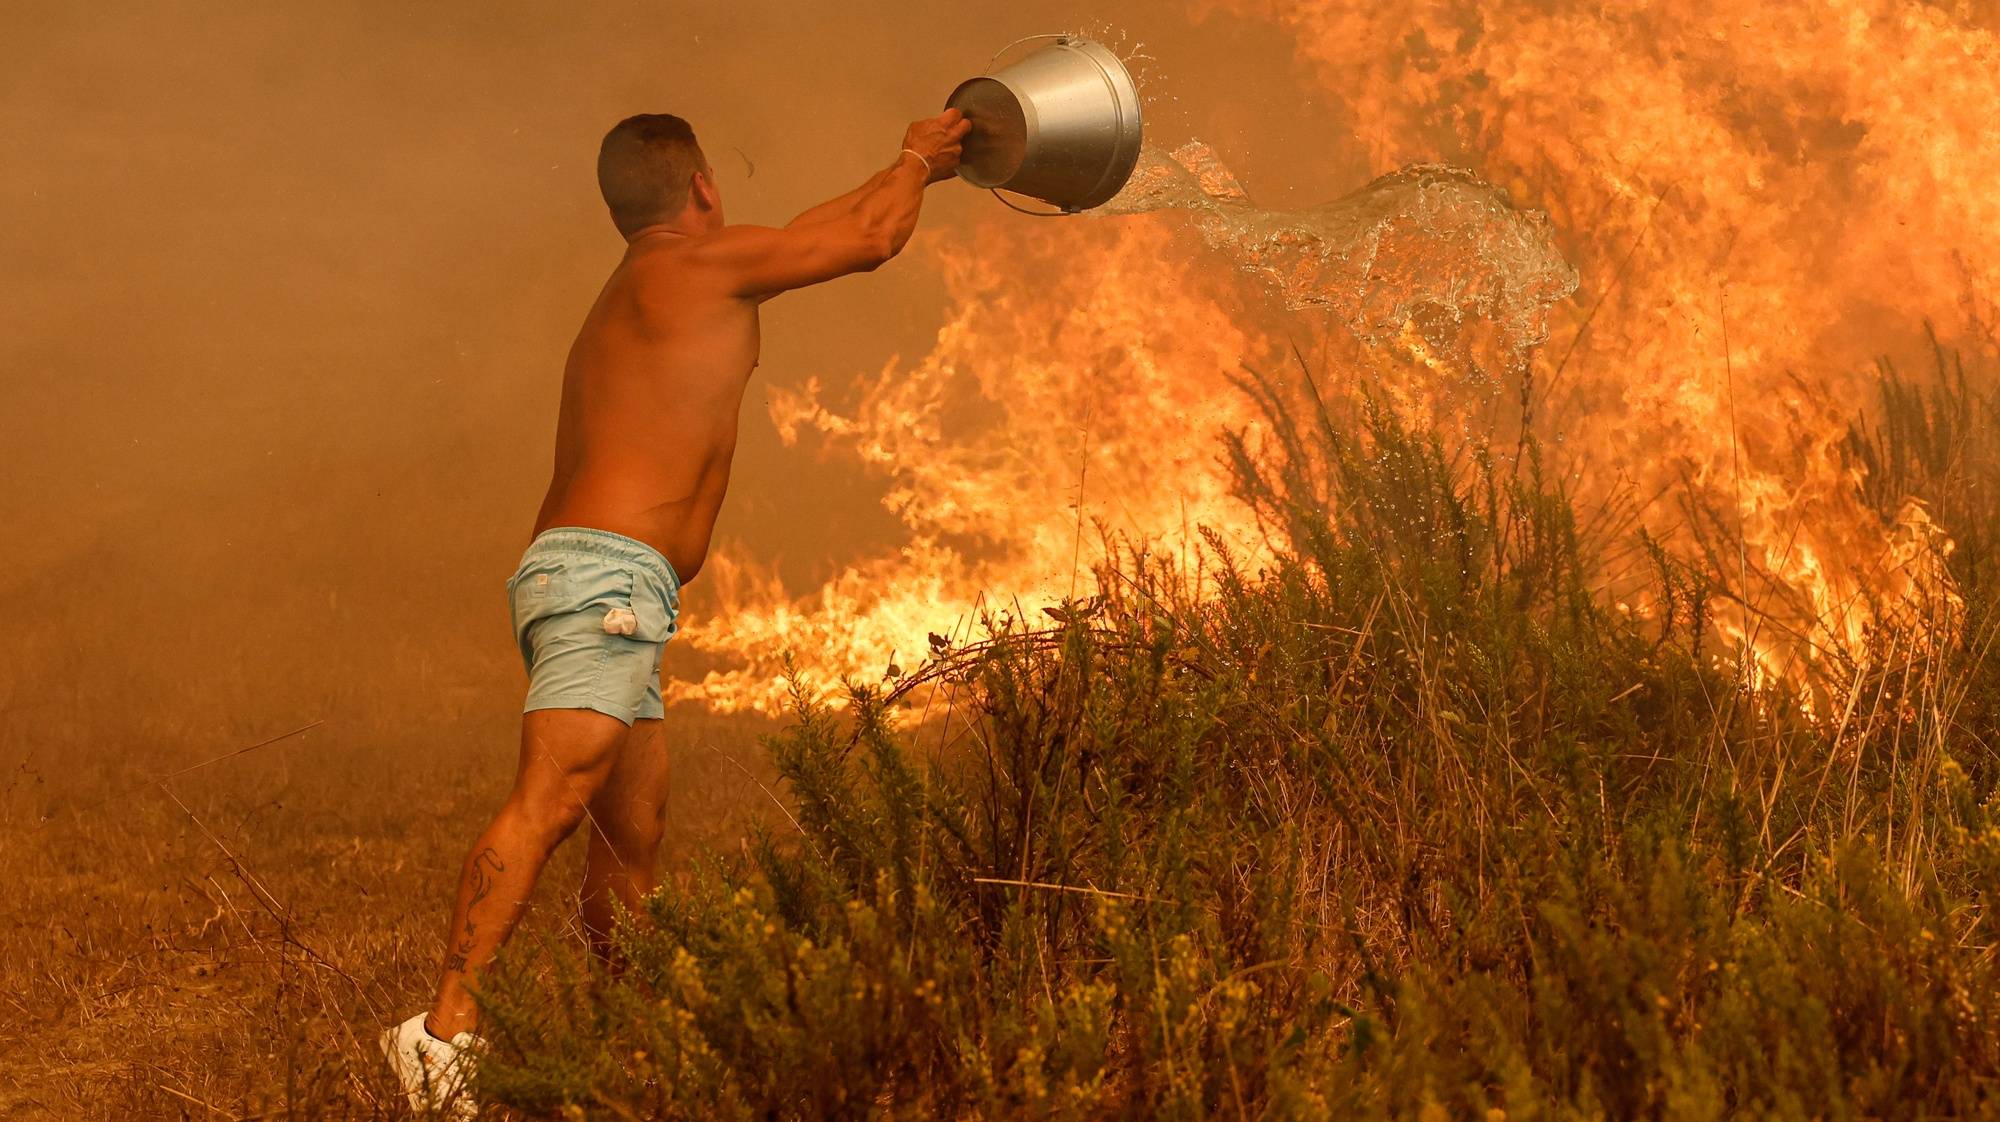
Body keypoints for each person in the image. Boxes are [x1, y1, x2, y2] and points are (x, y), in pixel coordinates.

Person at [380, 107, 970, 1116]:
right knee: (553, 797)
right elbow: (865, 238)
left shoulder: (662, 275)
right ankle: (439, 1035)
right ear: (703, 188)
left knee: (629, 834)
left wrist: (910, 165)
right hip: (602, 581)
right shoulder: (686, 269)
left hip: (617, 586)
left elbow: (819, 225)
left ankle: (629, 1040)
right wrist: (916, 161)